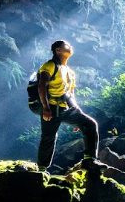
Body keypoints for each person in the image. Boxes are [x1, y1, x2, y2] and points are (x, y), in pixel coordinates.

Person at [36, 39, 100, 175]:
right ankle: (41, 169)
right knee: (48, 137)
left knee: (89, 124)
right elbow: (41, 86)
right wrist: (46, 108)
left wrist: (78, 115)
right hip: (51, 107)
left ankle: (89, 160)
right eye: (66, 46)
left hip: (66, 109)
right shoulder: (50, 66)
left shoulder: (70, 72)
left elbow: (70, 94)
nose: (70, 47)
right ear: (58, 50)